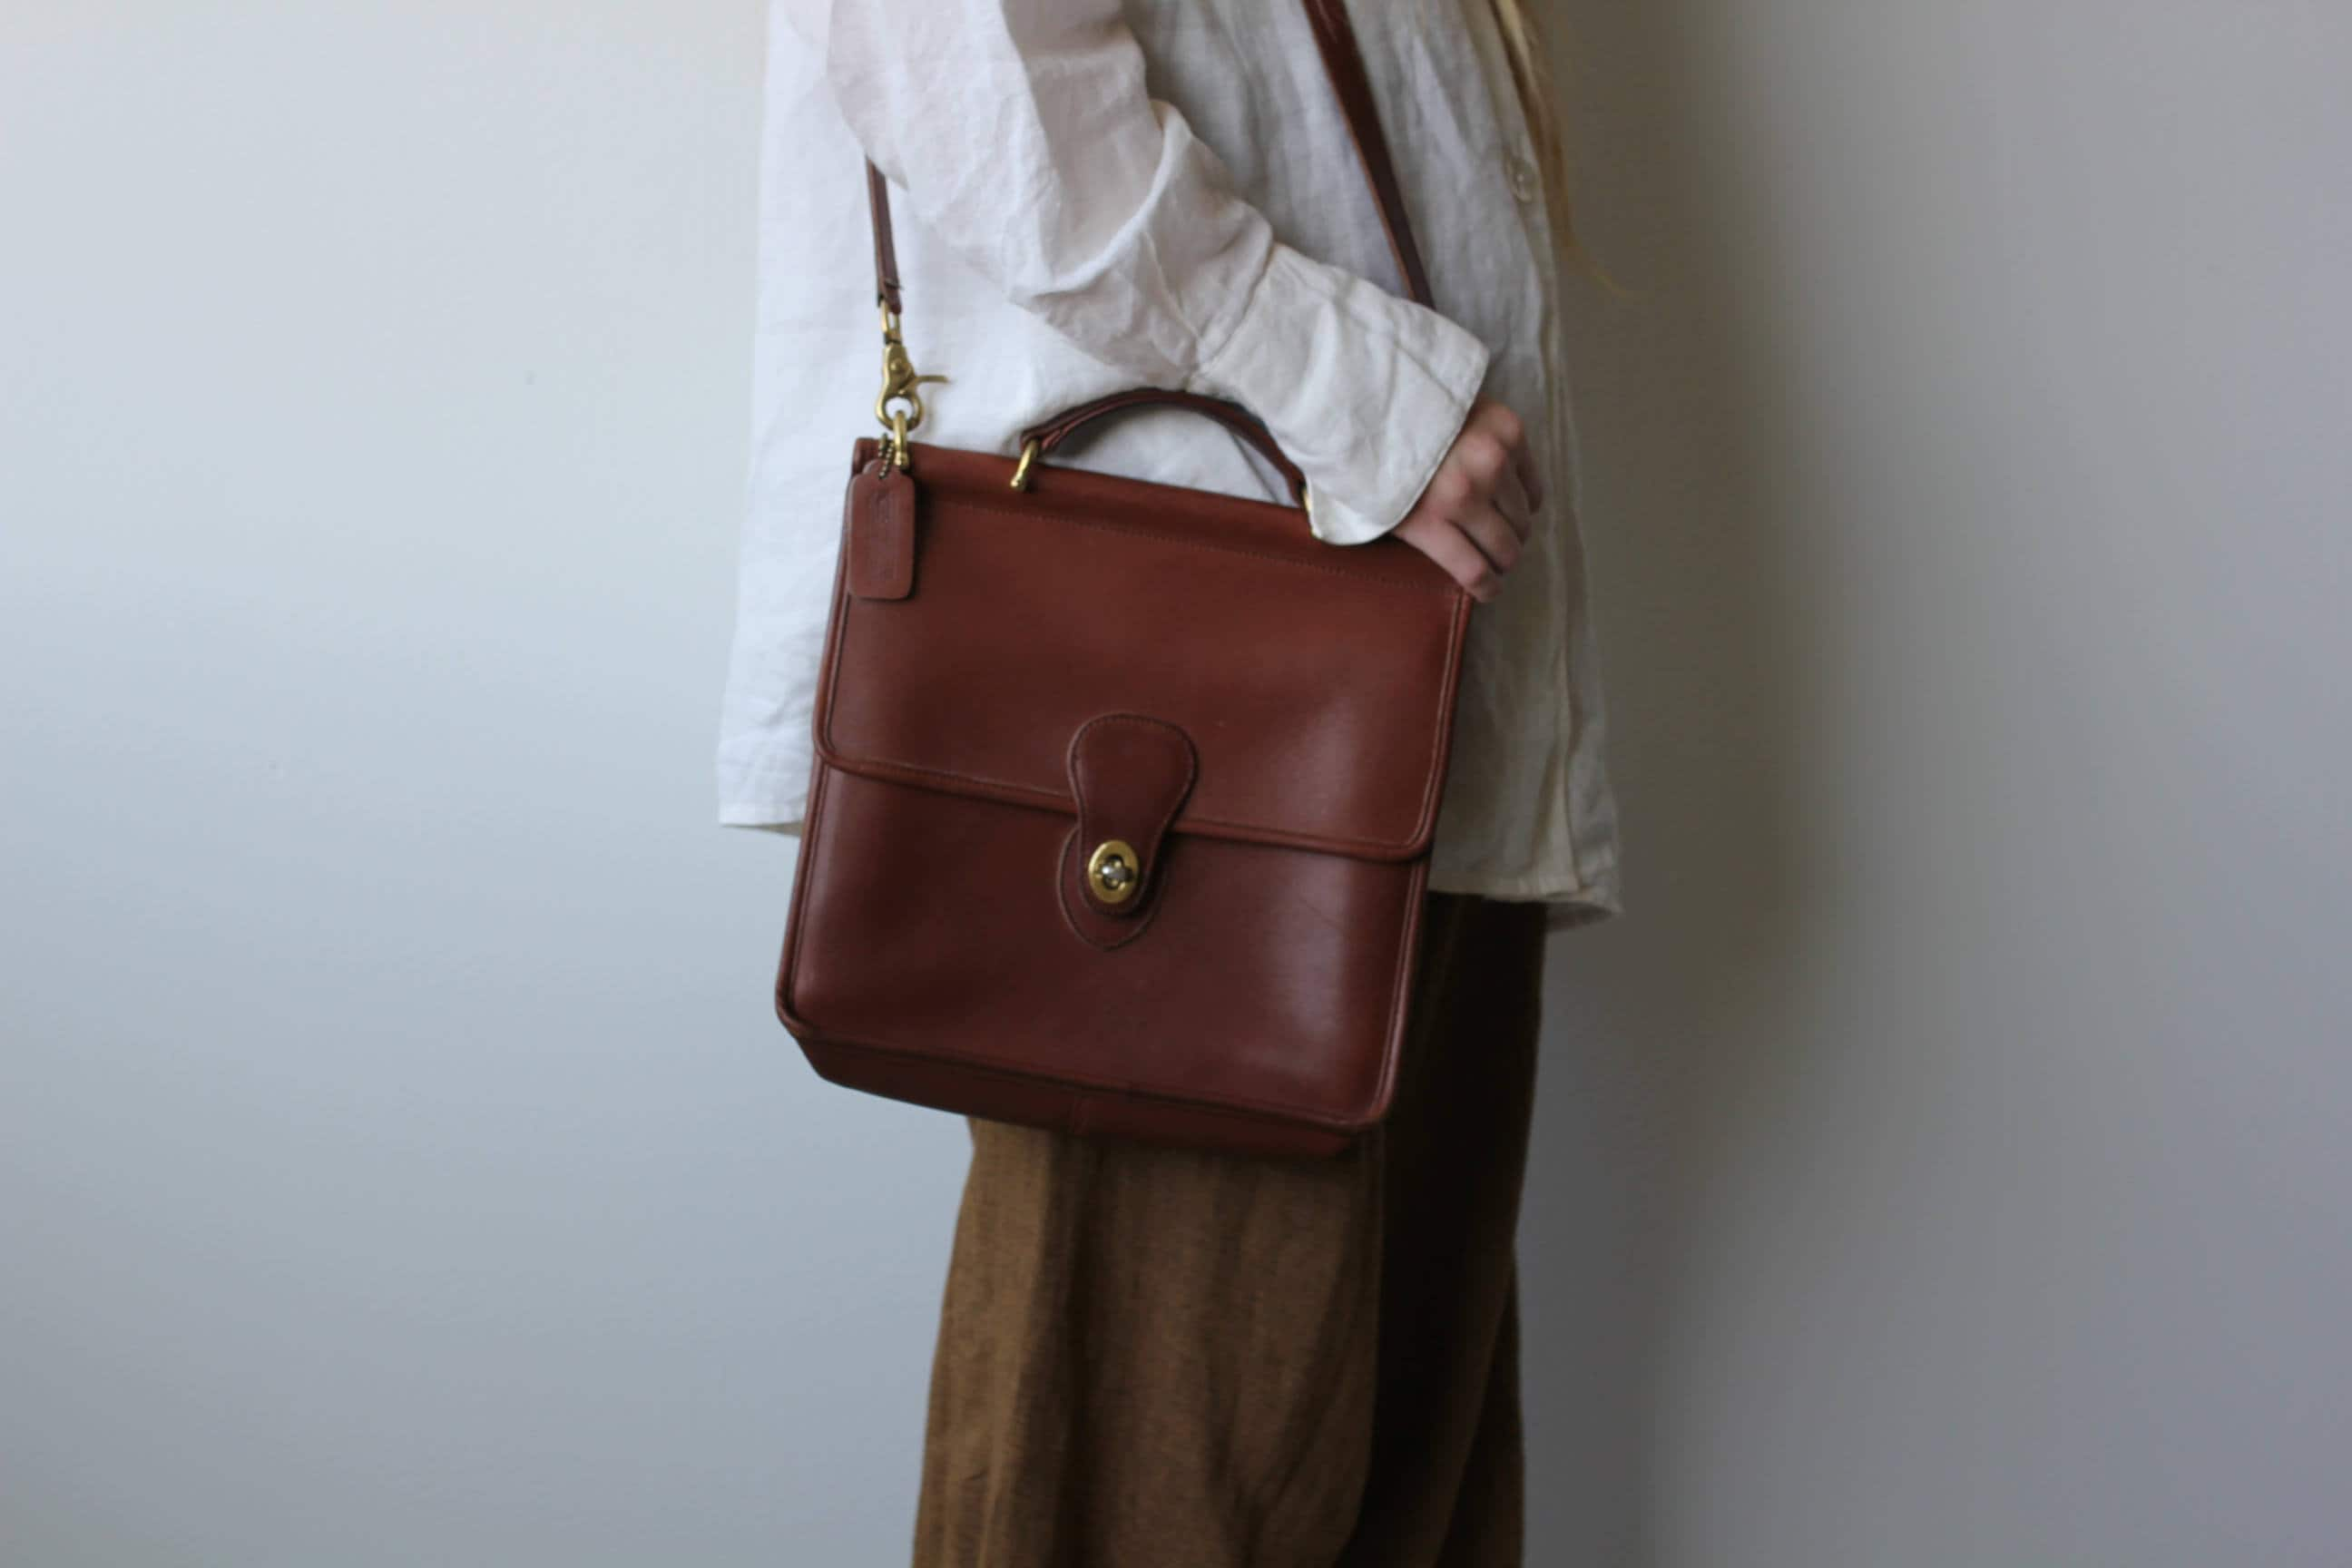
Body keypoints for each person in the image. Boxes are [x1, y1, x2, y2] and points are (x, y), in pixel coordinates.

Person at [720, 1, 1623, 1561]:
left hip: (1417, 689)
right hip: (1206, 733)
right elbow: (967, 60)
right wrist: (1373, 401)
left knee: (1385, 1488)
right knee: (1162, 1495)